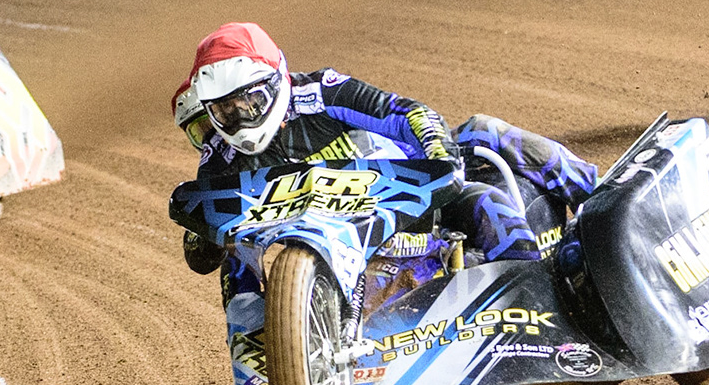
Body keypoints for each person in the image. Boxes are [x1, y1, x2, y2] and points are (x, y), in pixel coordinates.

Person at [180, 22, 593, 275]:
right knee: (237, 255)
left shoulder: (320, 92)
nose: (240, 119)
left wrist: (439, 157)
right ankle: (258, 369)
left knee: (486, 150)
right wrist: (206, 237)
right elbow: (199, 253)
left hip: (417, 201)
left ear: (275, 82)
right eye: (225, 110)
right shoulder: (220, 158)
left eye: (249, 102)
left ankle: (600, 202)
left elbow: (407, 113)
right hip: (344, 254)